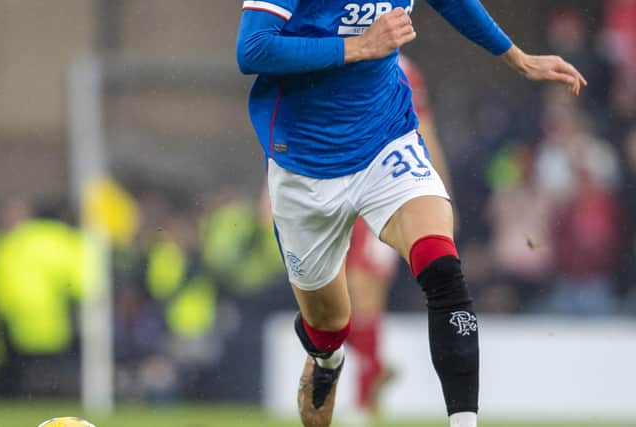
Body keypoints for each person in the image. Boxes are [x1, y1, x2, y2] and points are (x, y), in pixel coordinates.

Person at [236, 2, 586, 427]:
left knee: (442, 270)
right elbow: (252, 49)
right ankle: (327, 357)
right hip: (306, 168)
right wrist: (358, 46)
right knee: (328, 324)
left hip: (387, 142)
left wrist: (514, 55)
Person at [345, 54, 452, 420]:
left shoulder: (403, 69)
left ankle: (364, 403)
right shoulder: (334, 52)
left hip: (386, 195)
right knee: (332, 301)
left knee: (365, 294)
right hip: (338, 193)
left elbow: (425, 131)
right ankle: (373, 367)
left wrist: (439, 195)